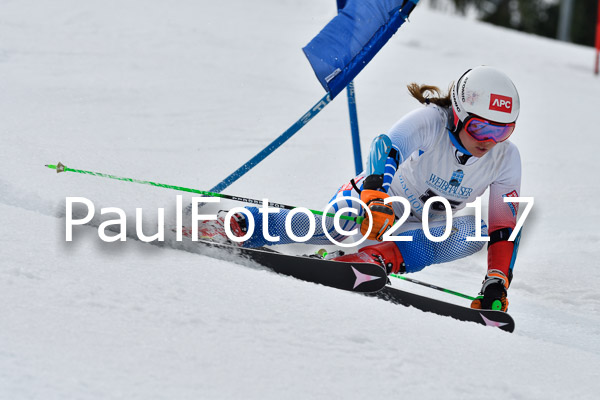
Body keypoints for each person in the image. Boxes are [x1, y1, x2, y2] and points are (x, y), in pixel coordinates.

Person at [196, 66, 522, 312]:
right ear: (460, 113)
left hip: (417, 231)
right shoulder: (431, 121)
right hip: (375, 203)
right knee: (337, 225)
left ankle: (374, 258)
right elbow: (387, 146)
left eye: (503, 130)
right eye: (481, 127)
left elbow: (503, 227)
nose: (490, 141)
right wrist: (375, 192)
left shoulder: (506, 159)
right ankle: (237, 224)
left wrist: (497, 281)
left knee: (477, 232)